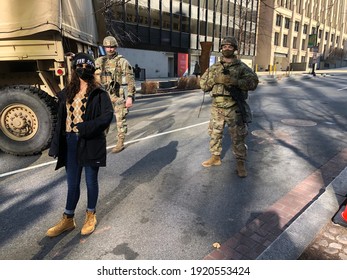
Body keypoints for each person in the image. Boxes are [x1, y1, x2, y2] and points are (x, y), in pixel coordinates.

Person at [46, 52, 114, 237]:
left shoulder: (99, 93)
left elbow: (107, 117)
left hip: (90, 141)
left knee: (91, 181)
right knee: (72, 183)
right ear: (74, 69)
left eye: (87, 66)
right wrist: (56, 143)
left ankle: (91, 215)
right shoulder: (67, 92)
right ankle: (68, 219)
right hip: (70, 142)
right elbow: (60, 119)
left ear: (92, 69)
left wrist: (85, 127)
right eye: (79, 66)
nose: (83, 69)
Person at [200, 36, 259, 178]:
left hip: (234, 107)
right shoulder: (214, 68)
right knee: (215, 134)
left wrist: (235, 81)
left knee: (238, 137)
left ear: (234, 49)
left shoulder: (241, 67)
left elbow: (253, 83)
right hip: (217, 107)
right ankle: (215, 157)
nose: (227, 48)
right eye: (224, 46)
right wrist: (215, 80)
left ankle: (240, 163)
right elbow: (203, 85)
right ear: (221, 48)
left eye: (230, 46)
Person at [95, 35, 136, 153]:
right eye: (107, 47)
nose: (109, 49)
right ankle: (101, 142)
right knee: (103, 120)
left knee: (120, 120)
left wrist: (130, 97)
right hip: (104, 96)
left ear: (115, 47)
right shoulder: (99, 61)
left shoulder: (122, 62)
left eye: (112, 46)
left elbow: (130, 80)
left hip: (118, 96)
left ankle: (120, 142)